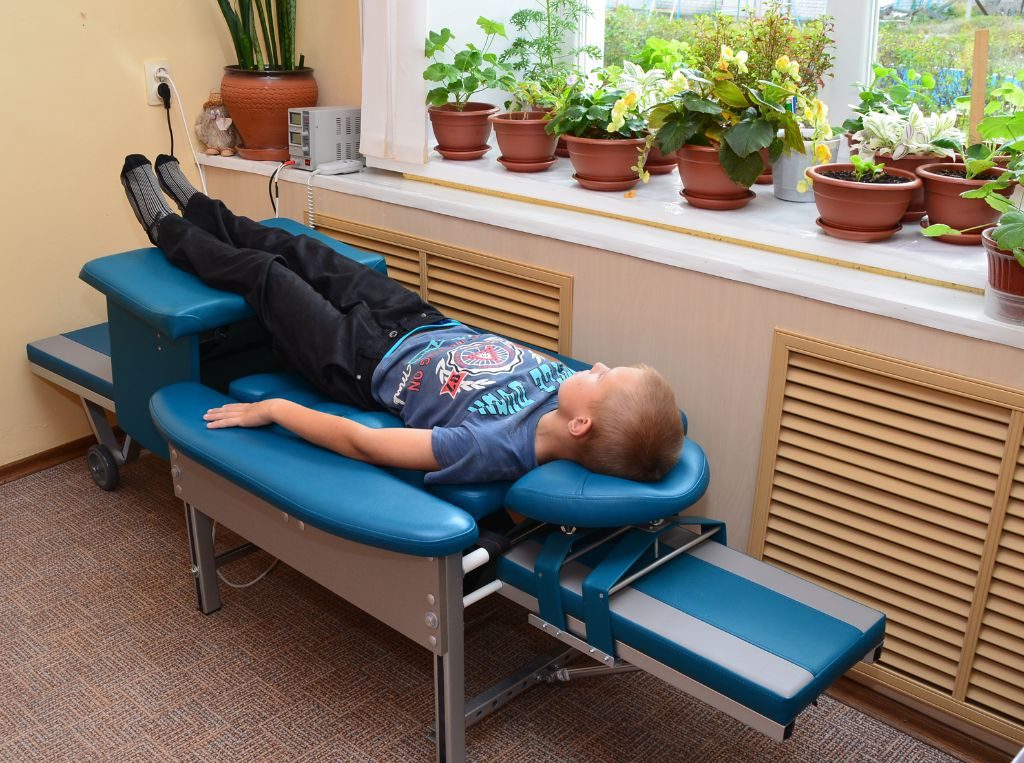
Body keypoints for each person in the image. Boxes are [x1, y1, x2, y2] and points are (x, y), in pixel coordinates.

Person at [120, 154, 684, 485]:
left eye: (605, 376)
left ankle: (165, 228)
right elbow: (647, 428)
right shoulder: (568, 391)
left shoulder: (492, 448)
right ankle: (199, 207)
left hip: (356, 361)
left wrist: (273, 409)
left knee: (267, 274)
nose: (597, 365)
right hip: (418, 321)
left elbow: (365, 443)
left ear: (581, 425)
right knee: (300, 248)